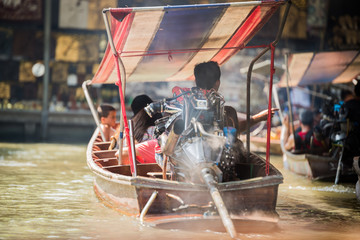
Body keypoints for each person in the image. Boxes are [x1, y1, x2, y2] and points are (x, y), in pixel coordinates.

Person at [172, 61, 278, 133]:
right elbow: (234, 130)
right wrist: (258, 118)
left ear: (196, 81)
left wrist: (256, 118)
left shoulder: (185, 100)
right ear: (218, 83)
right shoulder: (227, 112)